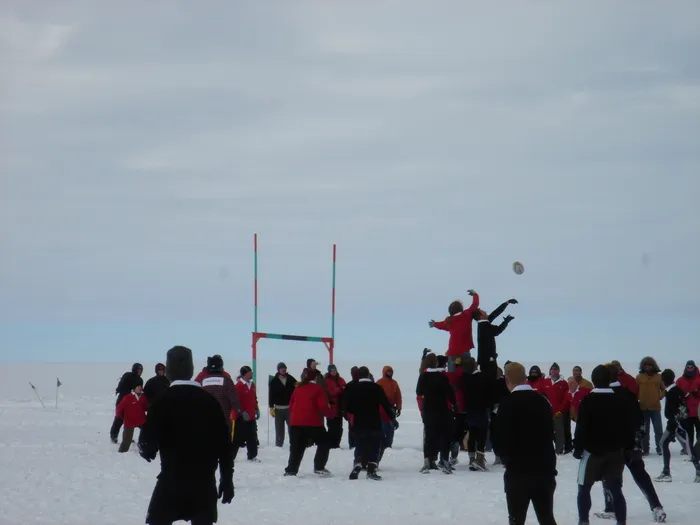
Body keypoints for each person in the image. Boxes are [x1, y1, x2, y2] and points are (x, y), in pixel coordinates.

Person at [138, 346, 233, 525]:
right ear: (191, 369)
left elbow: (146, 444)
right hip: (204, 485)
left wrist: (148, 449)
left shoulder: (161, 402)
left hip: (171, 483)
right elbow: (224, 446)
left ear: (168, 370)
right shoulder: (210, 402)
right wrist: (227, 479)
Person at [594, 363, 666, 523]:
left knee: (610, 478)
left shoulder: (602, 396)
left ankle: (611, 507)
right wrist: (637, 440)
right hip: (631, 444)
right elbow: (639, 419)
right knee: (641, 476)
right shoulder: (628, 395)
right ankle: (656, 507)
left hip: (612, 446)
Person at [492, 362, 558, 525]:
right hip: (544, 470)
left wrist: (507, 459)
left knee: (516, 519)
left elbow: (500, 441)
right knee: (546, 517)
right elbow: (550, 434)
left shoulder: (507, 404)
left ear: (507, 379)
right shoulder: (543, 402)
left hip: (518, 472)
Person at [574, 365, 628, 525]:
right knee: (616, 489)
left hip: (592, 452)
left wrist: (578, 447)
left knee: (584, 488)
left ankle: (584, 520)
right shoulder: (620, 399)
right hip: (615, 451)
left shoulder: (589, 400)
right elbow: (626, 426)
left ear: (594, 380)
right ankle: (621, 521)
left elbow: (581, 426)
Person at [344, 366, 398, 480]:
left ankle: (358, 462)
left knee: (360, 444)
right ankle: (371, 469)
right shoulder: (376, 388)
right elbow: (385, 404)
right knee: (374, 445)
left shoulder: (353, 388)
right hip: (374, 421)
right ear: (368, 375)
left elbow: (347, 406)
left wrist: (355, 412)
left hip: (359, 422)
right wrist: (392, 418)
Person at [284, 368, 333, 477]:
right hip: (313, 422)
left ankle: (291, 470)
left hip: (296, 423)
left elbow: (291, 405)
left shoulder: (298, 388)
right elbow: (323, 406)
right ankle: (319, 466)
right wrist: (329, 414)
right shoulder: (317, 389)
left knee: (297, 447)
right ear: (315, 377)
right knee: (324, 442)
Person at [655, 368, 700, 483]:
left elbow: (672, 412)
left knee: (683, 448)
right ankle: (666, 472)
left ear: (664, 380)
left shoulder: (671, 393)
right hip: (677, 424)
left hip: (675, 425)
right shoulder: (678, 390)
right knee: (684, 447)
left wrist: (675, 423)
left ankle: (667, 472)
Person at [416, 353, 457, 474]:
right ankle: (444, 460)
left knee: (429, 436)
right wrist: (454, 404)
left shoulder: (423, 376)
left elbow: (419, 391)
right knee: (444, 435)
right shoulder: (441, 376)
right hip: (442, 410)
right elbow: (449, 392)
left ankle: (427, 461)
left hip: (429, 410)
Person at [429, 289, 480, 372]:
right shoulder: (467, 315)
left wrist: (434, 324)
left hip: (453, 352)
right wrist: (475, 294)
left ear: (450, 311)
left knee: (452, 374)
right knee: (467, 372)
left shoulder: (449, 321)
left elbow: (442, 325)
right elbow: (475, 304)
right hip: (465, 350)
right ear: (461, 308)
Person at [473, 298, 517, 380]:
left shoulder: (483, 324)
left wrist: (506, 303)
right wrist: (506, 322)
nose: (485, 312)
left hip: (485, 360)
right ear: (481, 316)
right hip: (488, 361)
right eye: (483, 311)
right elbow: (497, 331)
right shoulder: (484, 326)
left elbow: (495, 314)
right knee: (491, 380)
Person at [460, 357, 490, 471]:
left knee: (472, 434)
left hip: (470, 409)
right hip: (481, 408)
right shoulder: (482, 377)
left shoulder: (464, 378)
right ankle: (480, 458)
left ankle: (472, 459)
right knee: (482, 434)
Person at [199, 355, 241, 438]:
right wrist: (239, 414)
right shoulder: (226, 380)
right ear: (221, 366)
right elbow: (234, 400)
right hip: (223, 420)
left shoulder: (203, 381)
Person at [636, 357, 665, 456]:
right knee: (645, 431)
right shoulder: (639, 377)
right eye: (645, 365)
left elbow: (664, 389)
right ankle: (645, 450)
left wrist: (660, 396)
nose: (647, 367)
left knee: (658, 429)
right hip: (643, 407)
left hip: (655, 407)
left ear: (653, 365)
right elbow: (636, 390)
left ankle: (660, 448)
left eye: (649, 365)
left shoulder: (659, 377)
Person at [110, 363, 144, 444]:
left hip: (131, 401)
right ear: (134, 369)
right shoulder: (129, 376)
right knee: (119, 419)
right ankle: (113, 436)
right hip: (122, 400)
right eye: (138, 370)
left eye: (140, 370)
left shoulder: (138, 379)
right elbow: (122, 387)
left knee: (130, 419)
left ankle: (127, 437)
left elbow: (139, 392)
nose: (139, 372)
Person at [233, 366, 260, 462]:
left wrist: (256, 409)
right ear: (245, 374)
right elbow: (235, 401)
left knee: (252, 436)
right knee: (237, 438)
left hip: (251, 416)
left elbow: (254, 398)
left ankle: (252, 456)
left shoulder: (252, 385)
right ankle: (231, 457)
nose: (251, 374)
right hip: (241, 417)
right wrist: (241, 412)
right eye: (250, 372)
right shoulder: (238, 386)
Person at [376, 365, 403, 461]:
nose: (390, 373)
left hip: (391, 408)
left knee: (390, 428)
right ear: (384, 372)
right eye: (388, 371)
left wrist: (399, 407)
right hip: (381, 409)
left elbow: (398, 396)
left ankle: (388, 445)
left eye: (391, 371)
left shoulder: (394, 383)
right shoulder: (379, 382)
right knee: (383, 427)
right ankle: (382, 445)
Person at [544, 363, 571, 455]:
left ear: (559, 371)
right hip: (547, 411)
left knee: (559, 431)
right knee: (547, 431)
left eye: (556, 369)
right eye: (552, 369)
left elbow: (566, 397)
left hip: (559, 412)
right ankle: (548, 449)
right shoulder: (545, 382)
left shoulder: (563, 383)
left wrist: (561, 410)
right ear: (550, 371)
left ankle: (559, 449)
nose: (554, 370)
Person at [268, 362, 297, 448]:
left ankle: (294, 443)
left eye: (285, 368)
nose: (284, 369)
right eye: (281, 368)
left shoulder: (291, 379)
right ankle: (279, 445)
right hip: (278, 409)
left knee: (292, 427)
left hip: (289, 408)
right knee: (279, 429)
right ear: (278, 370)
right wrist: (271, 407)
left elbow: (297, 389)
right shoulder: (273, 381)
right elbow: (271, 395)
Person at [115, 383, 149, 453]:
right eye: (138, 387)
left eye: (140, 387)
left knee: (147, 433)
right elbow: (119, 407)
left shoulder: (143, 397)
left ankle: (143, 447)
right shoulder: (128, 397)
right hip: (129, 421)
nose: (140, 388)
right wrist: (118, 416)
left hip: (141, 420)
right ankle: (121, 453)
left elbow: (146, 407)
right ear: (134, 388)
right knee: (127, 440)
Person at [676, 360, 700, 450]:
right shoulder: (680, 380)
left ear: (695, 368)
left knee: (699, 431)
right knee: (688, 432)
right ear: (685, 368)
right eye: (688, 367)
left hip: (698, 411)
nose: (689, 369)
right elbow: (675, 393)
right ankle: (688, 448)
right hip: (686, 411)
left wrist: (696, 392)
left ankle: (698, 449)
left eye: (691, 367)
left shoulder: (699, 379)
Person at [324, 364, 347, 449]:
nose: (333, 372)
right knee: (331, 428)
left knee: (339, 428)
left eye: (334, 370)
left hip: (340, 408)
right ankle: (330, 444)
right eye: (332, 370)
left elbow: (345, 388)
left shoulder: (341, 380)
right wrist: (339, 390)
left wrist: (342, 389)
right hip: (331, 408)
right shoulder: (326, 381)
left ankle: (337, 444)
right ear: (329, 372)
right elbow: (328, 393)